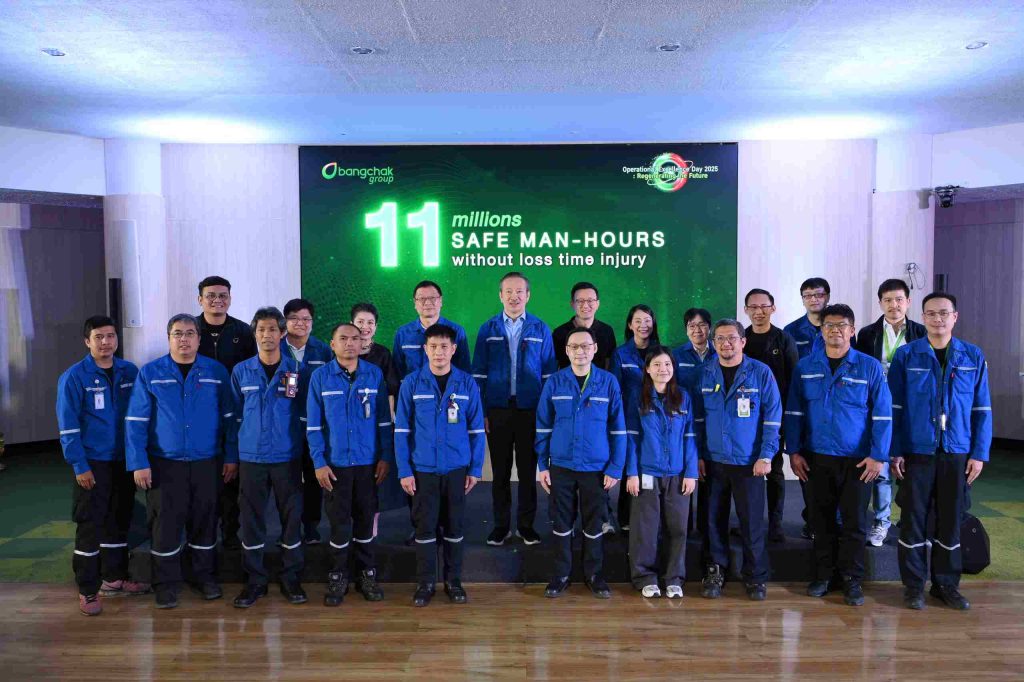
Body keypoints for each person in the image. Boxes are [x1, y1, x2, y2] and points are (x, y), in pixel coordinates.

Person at [126, 314, 237, 609]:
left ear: (199, 339)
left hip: (207, 462)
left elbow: (230, 419)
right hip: (165, 464)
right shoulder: (150, 373)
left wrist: (231, 457)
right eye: (178, 334)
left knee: (205, 521)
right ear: (169, 338)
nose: (184, 339)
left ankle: (204, 578)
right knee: (165, 525)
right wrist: (138, 462)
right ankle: (165, 584)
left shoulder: (216, 372)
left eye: (190, 333)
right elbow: (136, 422)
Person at [888, 292, 992, 611]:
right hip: (916, 451)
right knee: (913, 520)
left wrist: (979, 454)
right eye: (931, 314)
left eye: (944, 313)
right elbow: (895, 408)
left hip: (956, 451)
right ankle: (914, 586)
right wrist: (895, 451)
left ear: (955, 317)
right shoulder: (907, 355)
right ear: (923, 318)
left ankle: (946, 584)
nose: (938, 319)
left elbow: (982, 409)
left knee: (951, 520)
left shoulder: (972, 356)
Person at [785, 304, 891, 607]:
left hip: (858, 461)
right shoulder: (806, 367)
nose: (835, 331)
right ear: (821, 331)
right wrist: (794, 451)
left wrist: (878, 456)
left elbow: (883, 415)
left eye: (842, 325)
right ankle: (824, 576)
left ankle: (852, 580)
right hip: (816, 458)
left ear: (852, 330)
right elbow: (794, 412)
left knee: (855, 524)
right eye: (829, 326)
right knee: (821, 522)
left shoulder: (869, 367)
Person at [57, 316, 149, 615]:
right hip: (92, 463)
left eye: (110, 336)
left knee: (118, 520)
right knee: (90, 525)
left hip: (123, 461)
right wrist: (79, 465)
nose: (106, 342)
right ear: (87, 341)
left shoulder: (130, 371)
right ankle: (87, 589)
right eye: (99, 337)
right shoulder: (74, 377)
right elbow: (68, 427)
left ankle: (114, 578)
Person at [395, 324, 486, 607]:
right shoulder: (411, 383)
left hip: (457, 468)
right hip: (423, 470)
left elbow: (476, 430)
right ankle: (425, 583)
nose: (439, 352)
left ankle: (453, 581)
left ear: (454, 349)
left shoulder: (467, 384)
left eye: (444, 347)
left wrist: (475, 469)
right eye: (433, 347)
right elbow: (401, 431)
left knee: (455, 527)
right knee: (425, 528)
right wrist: (404, 470)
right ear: (425, 349)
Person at [306, 323, 393, 606]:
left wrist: (385, 456)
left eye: (355, 338)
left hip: (368, 464)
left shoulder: (374, 374)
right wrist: (319, 462)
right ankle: (338, 575)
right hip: (335, 466)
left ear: (362, 342)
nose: (350, 343)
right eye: (343, 338)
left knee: (366, 521)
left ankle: (367, 575)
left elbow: (383, 420)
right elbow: (314, 426)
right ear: (332, 344)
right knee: (339, 524)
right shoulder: (320, 377)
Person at [537, 328, 626, 599]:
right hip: (561, 465)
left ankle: (594, 575)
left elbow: (618, 429)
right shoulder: (555, 382)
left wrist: (615, 467)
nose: (580, 351)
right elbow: (543, 425)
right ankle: (561, 575)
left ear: (595, 349)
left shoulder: (608, 382)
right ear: (566, 351)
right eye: (574, 346)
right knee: (561, 522)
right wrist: (543, 465)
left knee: (594, 523)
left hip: (596, 467)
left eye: (585, 346)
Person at [695, 320, 781, 602]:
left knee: (751, 523)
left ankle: (755, 576)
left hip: (749, 463)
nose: (726, 344)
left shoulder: (760, 373)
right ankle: (714, 571)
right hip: (713, 460)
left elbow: (772, 418)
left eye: (732, 338)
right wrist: (697, 455)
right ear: (713, 343)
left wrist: (766, 455)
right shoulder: (705, 373)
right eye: (720, 339)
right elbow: (697, 419)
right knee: (712, 521)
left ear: (743, 342)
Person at [230, 307, 308, 608]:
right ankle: (255, 580)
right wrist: (232, 456)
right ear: (254, 334)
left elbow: (305, 414)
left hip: (288, 456)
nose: (267, 335)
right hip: (252, 457)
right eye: (261, 329)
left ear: (282, 333)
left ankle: (291, 577)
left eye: (273, 329)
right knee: (251, 520)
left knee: (291, 519)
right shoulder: (241, 371)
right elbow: (233, 417)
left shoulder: (296, 370)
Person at [473, 272, 557, 546]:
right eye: (508, 291)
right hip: (497, 410)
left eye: (519, 291)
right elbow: (479, 374)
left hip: (530, 410)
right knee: (500, 472)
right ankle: (500, 527)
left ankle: (526, 526)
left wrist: (546, 414)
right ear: (500, 295)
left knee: (527, 471)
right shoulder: (487, 329)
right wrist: (482, 412)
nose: (514, 296)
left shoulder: (540, 328)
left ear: (528, 295)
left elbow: (548, 375)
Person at [854, 279, 927, 548]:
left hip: (911, 409)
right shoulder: (867, 334)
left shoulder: (921, 332)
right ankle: (881, 521)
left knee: (912, 469)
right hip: (878, 408)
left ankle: (912, 522)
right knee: (881, 467)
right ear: (880, 303)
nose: (893, 305)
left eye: (898, 300)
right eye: (887, 300)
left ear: (908, 302)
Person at [624, 346, 698, 598]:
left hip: (677, 474)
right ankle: (645, 577)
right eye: (656, 364)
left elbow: (690, 437)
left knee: (678, 528)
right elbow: (632, 438)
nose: (662, 369)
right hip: (647, 473)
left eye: (667, 364)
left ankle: (674, 578)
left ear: (673, 368)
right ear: (647, 369)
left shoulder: (683, 397)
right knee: (645, 530)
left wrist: (691, 472)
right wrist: (632, 473)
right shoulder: (637, 397)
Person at [195, 275, 256, 550]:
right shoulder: (190, 329)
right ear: (200, 299)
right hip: (199, 415)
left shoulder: (243, 331)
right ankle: (202, 537)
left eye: (222, 295)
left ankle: (231, 536)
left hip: (235, 414)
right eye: (211, 295)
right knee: (203, 482)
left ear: (230, 299)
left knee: (232, 478)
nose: (217, 300)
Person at [742, 288, 800, 542]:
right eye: (753, 307)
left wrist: (787, 420)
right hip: (744, 420)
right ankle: (750, 523)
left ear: (773, 308)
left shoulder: (784, 340)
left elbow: (794, 381)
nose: (759, 311)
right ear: (746, 310)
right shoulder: (741, 339)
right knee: (746, 473)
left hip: (775, 418)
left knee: (774, 471)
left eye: (764, 306)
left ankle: (775, 524)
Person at [281, 298, 334, 545]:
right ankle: (288, 530)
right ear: (285, 321)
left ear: (312, 323)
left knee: (313, 477)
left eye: (305, 319)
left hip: (314, 426)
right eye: (294, 318)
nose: (300, 323)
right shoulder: (276, 348)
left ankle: (311, 527)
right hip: (284, 427)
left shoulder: (322, 350)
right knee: (287, 481)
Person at [609, 304, 660, 532]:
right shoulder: (620, 354)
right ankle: (626, 518)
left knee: (651, 466)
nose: (643, 325)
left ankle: (650, 517)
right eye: (637, 321)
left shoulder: (661, 352)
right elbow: (615, 391)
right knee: (630, 466)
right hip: (629, 419)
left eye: (647, 320)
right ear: (630, 325)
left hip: (656, 419)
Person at [672, 307, 716, 540]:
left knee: (710, 475)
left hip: (713, 423)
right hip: (685, 423)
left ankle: (707, 529)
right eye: (692, 326)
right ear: (686, 329)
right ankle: (684, 528)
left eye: (702, 325)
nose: (697, 330)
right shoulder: (676, 355)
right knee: (685, 474)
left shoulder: (720, 352)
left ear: (709, 328)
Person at [392, 280, 471, 377]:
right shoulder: (402, 333)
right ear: (415, 303)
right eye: (422, 298)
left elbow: (464, 370)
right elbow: (397, 371)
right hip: (412, 386)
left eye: (433, 298)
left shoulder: (457, 331)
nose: (428, 302)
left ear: (441, 301)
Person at [551, 282, 617, 370]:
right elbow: (553, 366)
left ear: (597, 304)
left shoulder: (607, 331)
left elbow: (610, 363)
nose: (585, 305)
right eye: (580, 301)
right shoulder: (559, 333)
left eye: (590, 300)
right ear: (572, 304)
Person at [784, 277, 830, 360]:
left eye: (819, 295)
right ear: (802, 300)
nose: (813, 299)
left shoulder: (841, 328)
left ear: (828, 297)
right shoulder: (790, 330)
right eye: (808, 295)